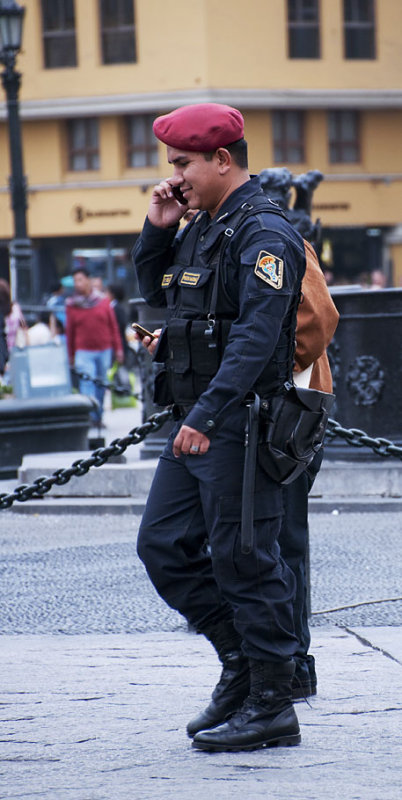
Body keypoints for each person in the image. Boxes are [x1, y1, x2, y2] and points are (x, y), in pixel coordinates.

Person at [132, 102, 337, 753]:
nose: (175, 176)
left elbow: (256, 337)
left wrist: (209, 414)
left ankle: (274, 704)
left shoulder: (265, 232)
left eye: (184, 163)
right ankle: (242, 666)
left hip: (239, 423)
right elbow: (162, 293)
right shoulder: (201, 225)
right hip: (196, 423)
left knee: (249, 560)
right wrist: (157, 229)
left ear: (224, 159)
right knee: (163, 546)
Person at [66, 267, 124, 426]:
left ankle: (98, 416)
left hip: (104, 349)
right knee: (87, 385)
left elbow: (113, 326)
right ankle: (89, 417)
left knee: (101, 384)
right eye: (75, 281)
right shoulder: (71, 305)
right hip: (83, 351)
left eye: (80, 279)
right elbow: (69, 331)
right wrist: (70, 354)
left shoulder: (103, 301)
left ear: (88, 280)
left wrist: (118, 348)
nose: (78, 284)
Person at [106, 283, 130, 366]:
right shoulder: (113, 307)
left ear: (112, 294)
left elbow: (120, 325)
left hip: (119, 343)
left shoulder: (117, 308)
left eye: (107, 292)